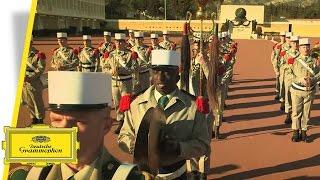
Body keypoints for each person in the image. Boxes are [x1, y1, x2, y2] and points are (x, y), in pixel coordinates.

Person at [9, 72, 152, 179]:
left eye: (79, 121)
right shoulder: (26, 176)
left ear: (106, 126)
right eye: (57, 120)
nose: (64, 130)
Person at [118, 50, 210, 179]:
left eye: (167, 73)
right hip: (144, 175)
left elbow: (202, 144)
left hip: (177, 175)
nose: (160, 78)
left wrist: (178, 148)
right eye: (156, 72)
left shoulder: (193, 106)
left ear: (177, 77)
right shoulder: (136, 103)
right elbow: (124, 136)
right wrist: (142, 146)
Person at [102, 33, 139, 134]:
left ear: (124, 43)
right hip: (114, 82)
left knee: (126, 103)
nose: (118, 43)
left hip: (126, 82)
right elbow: (104, 68)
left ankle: (127, 122)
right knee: (117, 103)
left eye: (120, 42)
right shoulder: (111, 54)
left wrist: (122, 69)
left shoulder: (130, 54)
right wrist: (111, 71)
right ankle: (120, 121)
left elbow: (135, 68)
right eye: (117, 41)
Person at [290, 38, 320, 142]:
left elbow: (318, 73)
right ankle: (295, 132)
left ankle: (304, 132)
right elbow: (290, 74)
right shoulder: (294, 59)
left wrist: (313, 79)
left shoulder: (315, 60)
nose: (306, 49)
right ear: (299, 48)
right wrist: (299, 79)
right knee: (296, 112)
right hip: (297, 90)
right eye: (303, 47)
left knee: (307, 112)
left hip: (309, 90)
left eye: (307, 47)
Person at [22, 36, 46, 124]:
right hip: (24, 83)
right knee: (29, 102)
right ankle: (33, 120)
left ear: (31, 42)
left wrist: (30, 77)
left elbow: (40, 69)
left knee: (37, 102)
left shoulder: (38, 54)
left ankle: (40, 120)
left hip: (34, 82)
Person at [279, 35, 300, 124]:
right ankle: (288, 114)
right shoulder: (285, 53)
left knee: (298, 98)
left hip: (299, 79)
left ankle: (297, 115)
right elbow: (281, 65)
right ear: (290, 43)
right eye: (293, 42)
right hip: (289, 78)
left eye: (297, 43)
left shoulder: (302, 53)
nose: (295, 44)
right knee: (288, 97)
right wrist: (289, 65)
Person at [279, 32, 293, 110]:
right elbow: (277, 59)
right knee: (283, 89)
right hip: (284, 72)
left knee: (290, 92)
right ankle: (282, 101)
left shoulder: (297, 50)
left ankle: (288, 111)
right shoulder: (281, 46)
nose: (288, 39)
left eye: (289, 37)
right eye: (287, 37)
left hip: (293, 75)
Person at [271, 31, 286, 100]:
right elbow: (274, 58)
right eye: (282, 36)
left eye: (285, 36)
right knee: (279, 80)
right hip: (279, 65)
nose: (283, 37)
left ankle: (284, 96)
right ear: (280, 37)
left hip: (286, 67)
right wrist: (276, 69)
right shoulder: (278, 45)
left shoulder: (290, 45)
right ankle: (279, 93)